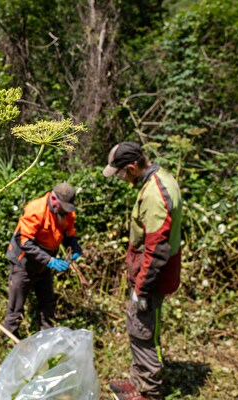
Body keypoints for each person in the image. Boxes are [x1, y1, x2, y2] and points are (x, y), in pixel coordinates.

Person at [102, 142, 182, 400]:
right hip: (147, 274)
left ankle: (148, 391)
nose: (121, 179)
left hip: (151, 278)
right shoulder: (161, 177)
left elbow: (157, 248)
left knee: (144, 332)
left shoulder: (154, 193)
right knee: (137, 326)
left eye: (121, 173)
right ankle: (138, 381)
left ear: (132, 168)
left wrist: (142, 289)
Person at [3, 182, 82, 339]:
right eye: (63, 207)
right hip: (24, 263)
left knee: (48, 302)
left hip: (44, 265)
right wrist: (49, 261)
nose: (65, 211)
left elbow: (68, 234)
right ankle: (8, 338)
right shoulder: (36, 210)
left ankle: (47, 336)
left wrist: (75, 248)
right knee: (16, 306)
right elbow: (23, 241)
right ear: (53, 198)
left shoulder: (66, 213)